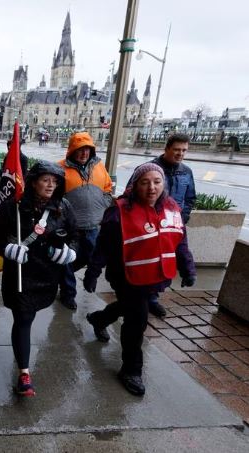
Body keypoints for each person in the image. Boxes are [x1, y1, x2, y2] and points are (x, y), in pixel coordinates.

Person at [83, 163, 196, 396]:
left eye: (157, 182)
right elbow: (103, 247)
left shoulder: (172, 207)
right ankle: (131, 370)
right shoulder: (119, 212)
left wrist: (188, 269)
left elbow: (180, 241)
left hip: (154, 276)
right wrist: (92, 273)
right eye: (145, 182)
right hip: (126, 277)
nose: (152, 187)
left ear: (163, 184)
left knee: (130, 307)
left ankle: (99, 319)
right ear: (135, 185)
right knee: (137, 321)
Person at [0, 161, 78, 396]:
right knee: (23, 319)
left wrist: (70, 251)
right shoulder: (14, 207)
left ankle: (23, 364)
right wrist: (8, 249)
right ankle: (24, 374)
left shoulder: (64, 207)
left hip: (47, 275)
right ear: (33, 181)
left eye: (55, 181)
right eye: (45, 180)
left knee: (29, 316)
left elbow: (75, 236)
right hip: (21, 275)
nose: (50, 185)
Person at [57, 132, 113, 310]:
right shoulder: (60, 168)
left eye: (87, 149)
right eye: (80, 149)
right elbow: (54, 196)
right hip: (71, 228)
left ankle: (78, 277)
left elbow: (108, 188)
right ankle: (68, 293)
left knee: (91, 257)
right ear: (72, 150)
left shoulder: (99, 166)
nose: (84, 153)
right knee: (67, 261)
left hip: (94, 226)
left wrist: (103, 204)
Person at [146, 133, 197, 317]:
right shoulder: (151, 169)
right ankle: (148, 298)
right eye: (176, 149)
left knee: (168, 260)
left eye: (184, 150)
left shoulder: (186, 171)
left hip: (174, 224)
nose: (180, 154)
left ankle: (153, 296)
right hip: (152, 225)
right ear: (166, 148)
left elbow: (190, 198)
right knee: (152, 262)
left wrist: (183, 217)